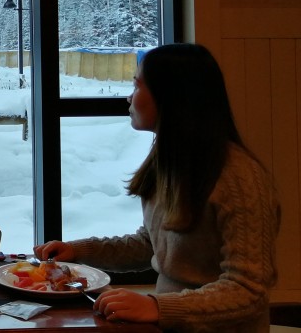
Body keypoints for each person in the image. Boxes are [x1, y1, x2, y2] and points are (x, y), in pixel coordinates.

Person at [34, 43, 280, 333]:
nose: (129, 97)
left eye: (137, 85)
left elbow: (248, 290)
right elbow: (152, 245)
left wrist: (158, 307)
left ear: (171, 96)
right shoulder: (171, 164)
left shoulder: (240, 179)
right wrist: (78, 251)